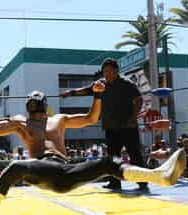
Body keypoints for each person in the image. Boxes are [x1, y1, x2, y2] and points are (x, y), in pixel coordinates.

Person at [0, 89, 186, 215]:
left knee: (108, 162)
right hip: (40, 171)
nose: (34, 110)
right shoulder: (21, 123)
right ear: (28, 107)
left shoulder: (59, 120)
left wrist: (98, 96)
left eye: (37, 106)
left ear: (44, 106)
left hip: (65, 172)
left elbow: (91, 118)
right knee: (16, 166)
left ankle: (159, 176)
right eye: (31, 106)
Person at [62, 58, 147, 191]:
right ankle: (114, 182)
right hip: (110, 127)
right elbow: (87, 90)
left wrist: (133, 117)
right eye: (105, 72)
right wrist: (71, 93)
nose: (107, 74)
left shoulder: (127, 83)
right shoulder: (101, 84)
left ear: (117, 71)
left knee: (134, 154)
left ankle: (142, 183)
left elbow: (139, 100)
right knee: (112, 158)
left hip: (128, 127)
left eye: (109, 71)